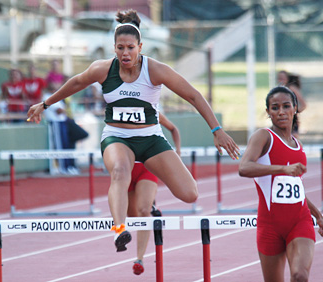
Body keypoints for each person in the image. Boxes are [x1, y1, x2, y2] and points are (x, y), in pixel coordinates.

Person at [27, 9, 240, 252]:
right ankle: (119, 229)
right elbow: (76, 82)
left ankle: (148, 203)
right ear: (114, 48)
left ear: (140, 46)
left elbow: (194, 95)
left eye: (130, 47)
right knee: (119, 171)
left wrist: (217, 129)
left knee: (190, 194)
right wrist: (45, 104)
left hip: (150, 139)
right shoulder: (103, 69)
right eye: (120, 48)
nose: (125, 53)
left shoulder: (156, 69)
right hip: (118, 137)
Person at [238, 86, 323, 282]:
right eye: (275, 108)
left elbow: (297, 189)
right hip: (270, 225)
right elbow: (244, 167)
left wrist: (318, 215)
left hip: (299, 221)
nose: (281, 112)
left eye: (286, 106)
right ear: (268, 112)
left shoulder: (298, 146)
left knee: (300, 275)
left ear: (295, 108)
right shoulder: (263, 136)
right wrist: (281, 169)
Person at [128, 112, 181, 275]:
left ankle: (139, 258)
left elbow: (173, 129)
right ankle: (151, 203)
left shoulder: (153, 112)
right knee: (131, 218)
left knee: (143, 211)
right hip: (126, 169)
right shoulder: (118, 110)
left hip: (147, 167)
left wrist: (177, 153)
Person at [277, 70, 306, 138]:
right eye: (279, 78)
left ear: (287, 78)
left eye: (283, 78)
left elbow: (304, 105)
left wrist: (294, 113)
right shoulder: (278, 90)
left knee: (293, 139)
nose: (281, 80)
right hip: (280, 121)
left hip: (291, 121)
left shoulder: (291, 88)